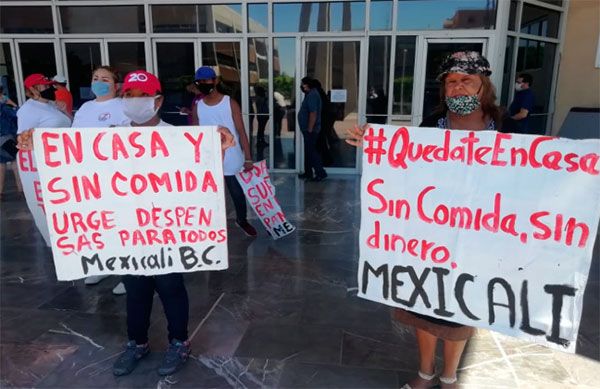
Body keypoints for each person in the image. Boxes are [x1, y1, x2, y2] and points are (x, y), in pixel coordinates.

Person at [16, 69, 236, 377]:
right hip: (128, 230)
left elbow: (209, 154)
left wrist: (220, 138)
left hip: (166, 228)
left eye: (143, 96)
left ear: (157, 101)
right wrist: (35, 141)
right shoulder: (108, 138)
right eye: (129, 96)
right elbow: (70, 154)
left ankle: (178, 342)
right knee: (136, 288)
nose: (135, 102)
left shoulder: (177, 136)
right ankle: (137, 342)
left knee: (171, 285)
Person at [347, 51, 508, 389]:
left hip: (480, 236)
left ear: (484, 86)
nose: (458, 88)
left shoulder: (508, 128)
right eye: (452, 82)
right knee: (425, 303)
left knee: (461, 309)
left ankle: (449, 376)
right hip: (430, 232)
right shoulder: (431, 125)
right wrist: (376, 144)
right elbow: (406, 161)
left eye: (467, 81)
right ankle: (424, 371)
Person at [72, 65, 131, 294]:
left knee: (122, 223)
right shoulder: (85, 108)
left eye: (105, 78)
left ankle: (128, 272)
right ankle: (103, 264)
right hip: (90, 176)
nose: (99, 81)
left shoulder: (123, 106)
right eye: (95, 78)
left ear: (115, 85)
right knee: (99, 223)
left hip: (117, 176)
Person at [194, 66, 258, 237]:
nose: (203, 84)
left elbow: (241, 131)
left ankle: (242, 220)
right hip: (208, 158)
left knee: (236, 191)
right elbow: (194, 135)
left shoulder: (229, 102)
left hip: (231, 155)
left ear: (215, 81)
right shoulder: (198, 106)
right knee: (209, 194)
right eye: (199, 82)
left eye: (206, 80)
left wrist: (249, 158)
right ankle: (210, 224)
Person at [298, 77, 327, 181]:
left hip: (311, 130)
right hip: (308, 129)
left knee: (312, 152)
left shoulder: (312, 95)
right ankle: (308, 173)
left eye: (303, 84)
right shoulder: (311, 94)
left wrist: (310, 129)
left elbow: (313, 113)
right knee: (308, 152)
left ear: (307, 84)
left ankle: (321, 173)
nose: (302, 86)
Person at [0, 94, 21, 199]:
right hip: (6, 139)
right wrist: (13, 104)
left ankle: (0, 191)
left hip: (2, 141)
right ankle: (20, 189)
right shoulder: (4, 108)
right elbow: (19, 114)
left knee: (1, 165)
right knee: (16, 161)